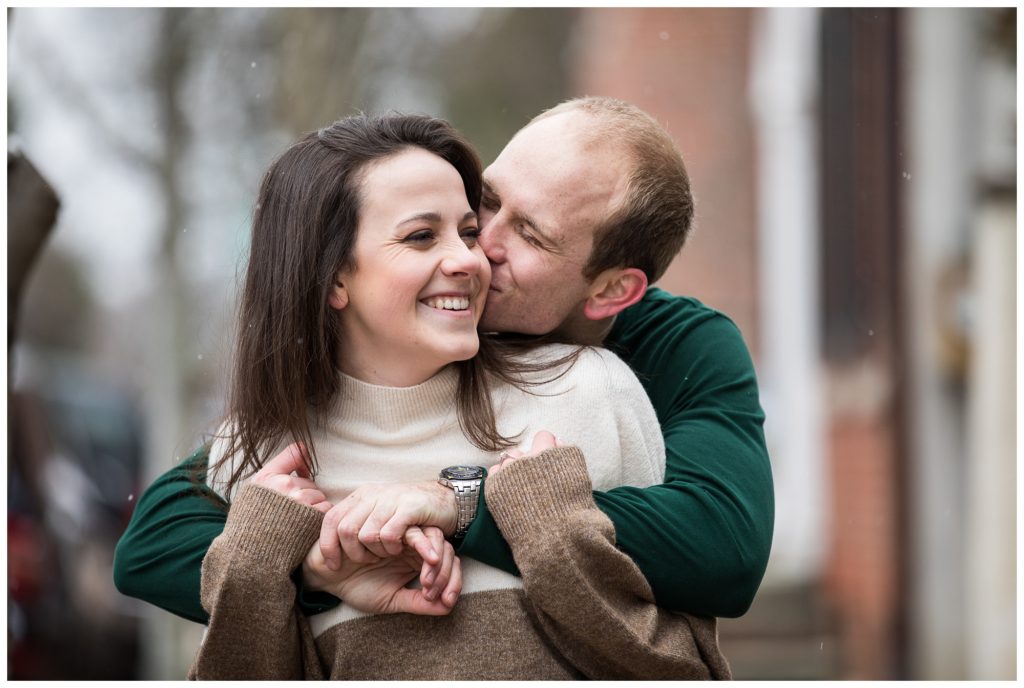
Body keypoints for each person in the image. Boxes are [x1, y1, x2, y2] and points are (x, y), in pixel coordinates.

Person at [114, 96, 774, 625]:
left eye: (530, 234)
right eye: (487, 202)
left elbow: (722, 548)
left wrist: (459, 505)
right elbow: (160, 535)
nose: (477, 246)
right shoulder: (419, 327)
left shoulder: (677, 347)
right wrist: (324, 560)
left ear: (611, 290)